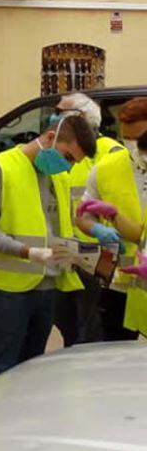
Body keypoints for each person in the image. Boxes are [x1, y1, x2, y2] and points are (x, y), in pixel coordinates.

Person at [0, 115, 96, 392]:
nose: (68, 166)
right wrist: (28, 252)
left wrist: (82, 252)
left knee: (30, 367)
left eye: (74, 162)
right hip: (8, 288)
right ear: (49, 138)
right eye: (68, 156)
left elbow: (57, 226)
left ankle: (16, 428)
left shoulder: (56, 175)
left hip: (46, 285)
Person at [54, 92, 125, 345]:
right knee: (68, 327)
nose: (53, 116)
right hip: (65, 253)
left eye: (60, 112)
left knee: (90, 332)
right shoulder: (56, 150)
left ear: (80, 117)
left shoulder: (110, 153)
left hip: (95, 260)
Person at [75, 96, 147, 341]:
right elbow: (83, 216)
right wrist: (96, 227)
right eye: (128, 138)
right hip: (117, 280)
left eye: (141, 139)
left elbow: (140, 232)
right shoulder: (107, 167)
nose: (134, 146)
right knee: (115, 356)